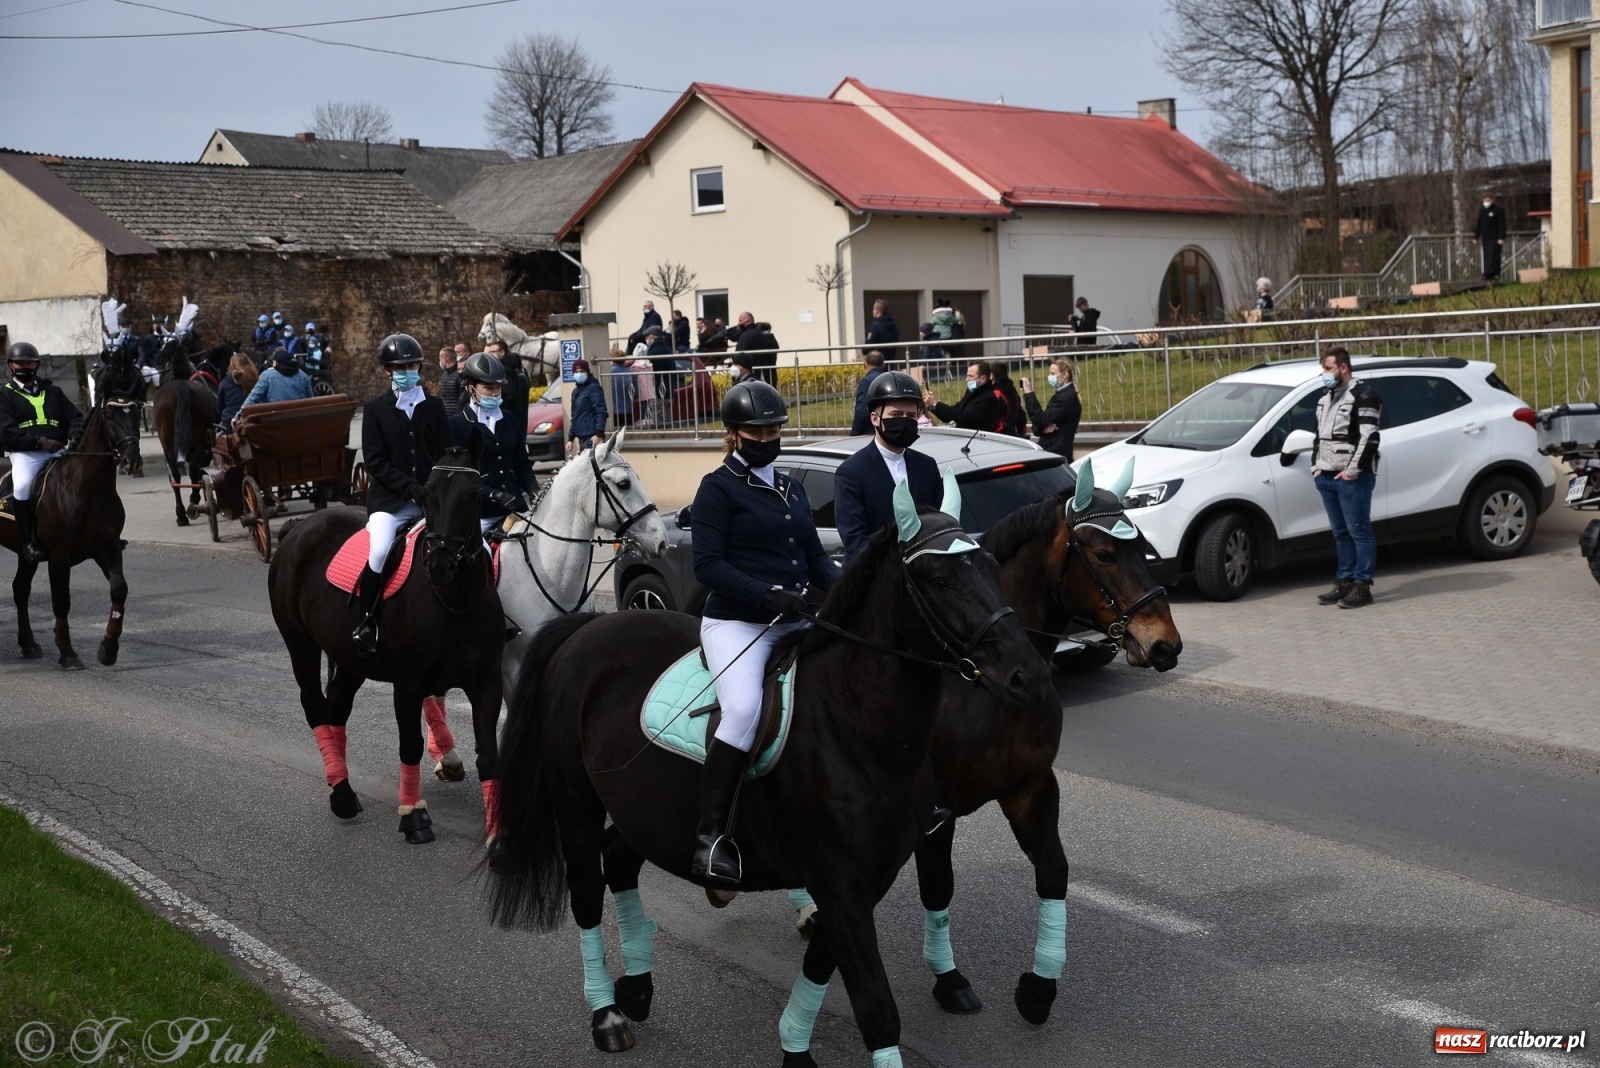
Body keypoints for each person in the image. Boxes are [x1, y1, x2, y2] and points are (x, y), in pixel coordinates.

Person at [689, 380, 840, 886]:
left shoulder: (792, 486)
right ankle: (710, 838)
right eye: (758, 430)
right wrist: (765, 594)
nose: (768, 437)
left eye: (775, 428)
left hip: (795, 617)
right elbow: (707, 565)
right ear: (734, 433)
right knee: (744, 709)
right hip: (738, 621)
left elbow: (816, 559)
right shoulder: (717, 488)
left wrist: (848, 591)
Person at [352, 334, 451, 653]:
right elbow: (376, 463)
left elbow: (445, 453)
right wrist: (413, 489)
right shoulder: (375, 409)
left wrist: (436, 489)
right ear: (387, 371)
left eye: (412, 366)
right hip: (390, 504)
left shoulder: (434, 407)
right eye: (400, 367)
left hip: (429, 503)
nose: (407, 371)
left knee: (462, 547)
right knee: (380, 551)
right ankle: (367, 620)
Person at [834, 371, 941, 561]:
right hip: (875, 581)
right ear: (875, 419)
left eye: (911, 416)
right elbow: (855, 539)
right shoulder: (851, 472)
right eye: (896, 415)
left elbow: (939, 525)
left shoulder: (927, 466)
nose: (904, 421)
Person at [1311, 347, 1382, 609]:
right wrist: (1316, 467)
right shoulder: (1326, 398)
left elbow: (1370, 437)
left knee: (1359, 532)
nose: (1325, 375)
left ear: (1343, 367)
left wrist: (1352, 472)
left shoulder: (1365, 395)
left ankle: (1363, 586)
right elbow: (1318, 436)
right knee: (1341, 534)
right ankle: (1345, 582)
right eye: (1323, 370)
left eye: (1328, 369)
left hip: (1353, 478)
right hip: (1327, 476)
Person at [0, 341, 84, 563]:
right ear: (11, 366)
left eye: (30, 362)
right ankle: (29, 543)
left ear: (36, 365)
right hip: (26, 454)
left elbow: (74, 417)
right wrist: (39, 442)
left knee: (84, 477)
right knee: (23, 485)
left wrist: (75, 435)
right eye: (21, 363)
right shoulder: (4, 395)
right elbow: (6, 432)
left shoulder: (53, 391)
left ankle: (98, 533)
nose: (26, 366)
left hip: (58, 451)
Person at [450, 353, 539, 534]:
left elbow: (521, 463)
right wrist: (493, 494)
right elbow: (459, 477)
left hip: (516, 509)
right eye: (488, 388)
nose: (495, 393)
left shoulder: (509, 418)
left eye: (498, 388)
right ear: (470, 389)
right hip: (480, 513)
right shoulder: (456, 424)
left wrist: (533, 489)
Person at [1020, 357, 1081, 459]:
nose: (1050, 377)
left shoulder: (1066, 398)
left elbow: (1040, 419)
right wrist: (1043, 429)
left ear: (1065, 375)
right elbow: (1038, 424)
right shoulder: (1061, 395)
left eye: (1053, 374)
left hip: (1057, 453)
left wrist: (1028, 393)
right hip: (1052, 451)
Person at [923, 361, 1009, 434]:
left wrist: (936, 404)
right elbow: (951, 414)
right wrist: (932, 406)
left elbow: (964, 417)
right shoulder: (973, 392)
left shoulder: (990, 398)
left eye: (970, 376)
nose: (966, 379)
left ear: (982, 378)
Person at [238, 348, 314, 416]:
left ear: (275, 362)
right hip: (298, 419)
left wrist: (238, 416)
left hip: (274, 421)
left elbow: (253, 397)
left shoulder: (267, 375)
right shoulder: (303, 376)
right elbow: (310, 400)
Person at [485, 338, 529, 439]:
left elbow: (510, 394)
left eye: (493, 351)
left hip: (507, 414)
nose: (490, 354)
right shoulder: (500, 368)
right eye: (489, 351)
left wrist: (495, 404)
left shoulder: (505, 369)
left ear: (502, 352)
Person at [567, 358, 608, 451]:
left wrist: (598, 434)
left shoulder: (594, 388)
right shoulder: (576, 392)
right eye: (576, 372)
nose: (579, 374)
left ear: (587, 372)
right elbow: (575, 416)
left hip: (592, 437)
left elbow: (601, 412)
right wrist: (570, 438)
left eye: (582, 371)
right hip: (582, 438)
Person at [216, 352, 259, 428]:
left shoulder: (225, 382)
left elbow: (219, 408)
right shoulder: (256, 380)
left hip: (229, 424)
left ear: (232, 366)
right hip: (251, 422)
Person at [734, 315, 780, 386]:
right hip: (767, 374)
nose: (738, 324)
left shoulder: (747, 335)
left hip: (757, 373)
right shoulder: (766, 338)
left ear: (748, 321)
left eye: (740, 321)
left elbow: (740, 353)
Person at [850, 350, 886, 436]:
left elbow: (862, 411)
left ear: (864, 365)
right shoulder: (890, 380)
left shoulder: (866, 382)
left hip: (869, 432)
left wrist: (854, 433)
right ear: (883, 365)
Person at [1475, 193, 1506, 281]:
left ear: (1492, 200)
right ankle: (1488, 272)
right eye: (1485, 201)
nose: (1486, 202)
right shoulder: (1482, 211)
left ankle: (1494, 272)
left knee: (1494, 255)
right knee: (1487, 255)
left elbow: (1502, 224)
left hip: (1495, 237)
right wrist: (1476, 237)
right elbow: (1479, 224)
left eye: (1488, 200)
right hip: (1486, 237)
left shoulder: (1498, 210)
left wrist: (1501, 237)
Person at [991, 360, 1027, 436]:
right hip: (1012, 432)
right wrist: (1022, 431)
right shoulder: (1012, 391)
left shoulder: (995, 393)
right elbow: (1020, 413)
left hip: (999, 435)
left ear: (992, 375)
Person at [437, 346, 463, 418]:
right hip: (444, 415)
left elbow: (462, 398)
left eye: (440, 358)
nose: (440, 361)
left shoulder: (459, 375)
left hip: (456, 416)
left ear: (446, 358)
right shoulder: (444, 375)